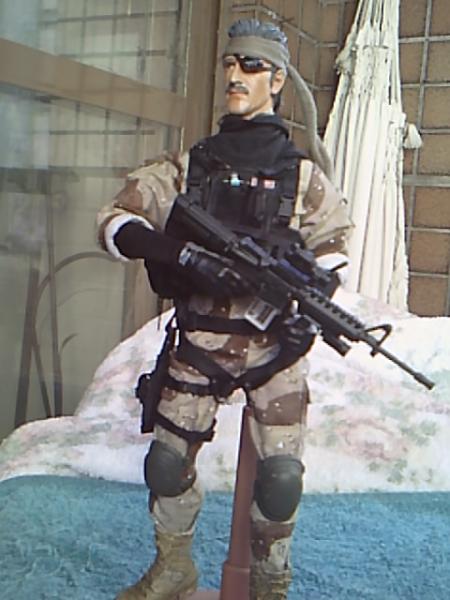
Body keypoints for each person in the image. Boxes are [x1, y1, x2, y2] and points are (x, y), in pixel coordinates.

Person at [97, 18, 352, 600]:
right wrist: (184, 256)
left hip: (274, 348)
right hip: (201, 343)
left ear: (277, 80)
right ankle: (174, 568)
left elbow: (333, 251)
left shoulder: (302, 176)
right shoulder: (190, 166)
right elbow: (115, 221)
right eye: (230, 63)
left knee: (281, 480)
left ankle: (269, 582)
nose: (236, 75)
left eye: (252, 66)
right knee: (165, 465)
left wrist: (306, 309)